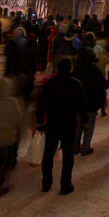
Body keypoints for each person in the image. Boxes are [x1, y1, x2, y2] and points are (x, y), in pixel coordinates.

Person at [36, 58, 87, 194]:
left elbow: (42, 103)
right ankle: (65, 184)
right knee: (68, 154)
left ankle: (46, 183)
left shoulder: (51, 83)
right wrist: (85, 120)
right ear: (70, 69)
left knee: (48, 154)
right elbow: (81, 104)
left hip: (53, 122)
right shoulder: (75, 84)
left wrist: (40, 120)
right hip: (69, 123)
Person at [74, 46, 108, 155]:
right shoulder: (95, 69)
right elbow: (103, 84)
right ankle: (85, 147)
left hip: (78, 103)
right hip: (92, 103)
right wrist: (102, 99)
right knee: (89, 126)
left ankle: (75, 146)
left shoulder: (76, 69)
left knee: (77, 126)